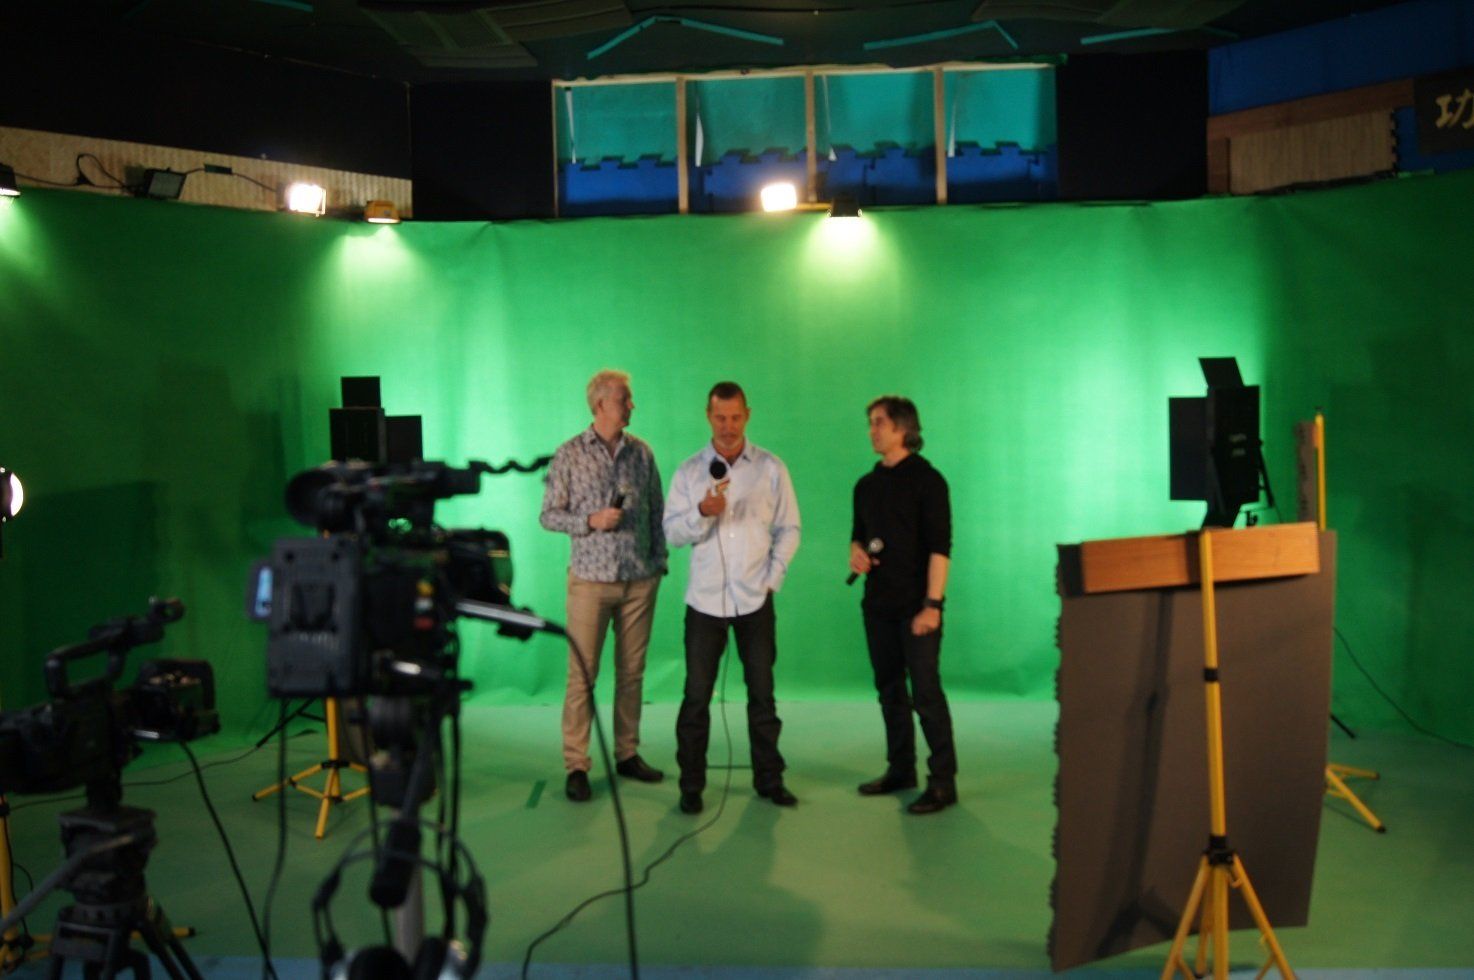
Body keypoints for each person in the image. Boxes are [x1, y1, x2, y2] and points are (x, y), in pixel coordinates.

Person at [663, 381, 801, 814]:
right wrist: (701, 512)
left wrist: (771, 580)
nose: (727, 426)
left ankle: (769, 779)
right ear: (708, 416)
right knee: (696, 698)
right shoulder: (689, 472)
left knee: (763, 694)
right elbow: (671, 532)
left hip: (755, 601)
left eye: (735, 417)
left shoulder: (772, 468)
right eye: (720, 417)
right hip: (705, 604)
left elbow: (790, 528)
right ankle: (691, 785)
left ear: (748, 415)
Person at [540, 369, 667, 802]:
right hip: (590, 583)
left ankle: (627, 754)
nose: (632, 405)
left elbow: (656, 512)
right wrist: (590, 521)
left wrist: (659, 564)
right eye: (625, 399)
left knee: (632, 674)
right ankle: (577, 763)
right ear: (600, 405)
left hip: (638, 580)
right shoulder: (569, 455)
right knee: (582, 676)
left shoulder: (643, 454)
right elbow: (548, 515)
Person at [849, 395, 958, 814]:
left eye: (879, 423)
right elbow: (858, 537)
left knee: (926, 692)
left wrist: (933, 604)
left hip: (918, 606)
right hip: (877, 604)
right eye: (871, 422)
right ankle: (901, 768)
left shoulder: (929, 482)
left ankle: (943, 781)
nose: (872, 430)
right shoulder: (866, 484)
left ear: (903, 429)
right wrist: (856, 554)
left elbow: (939, 548)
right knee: (890, 691)